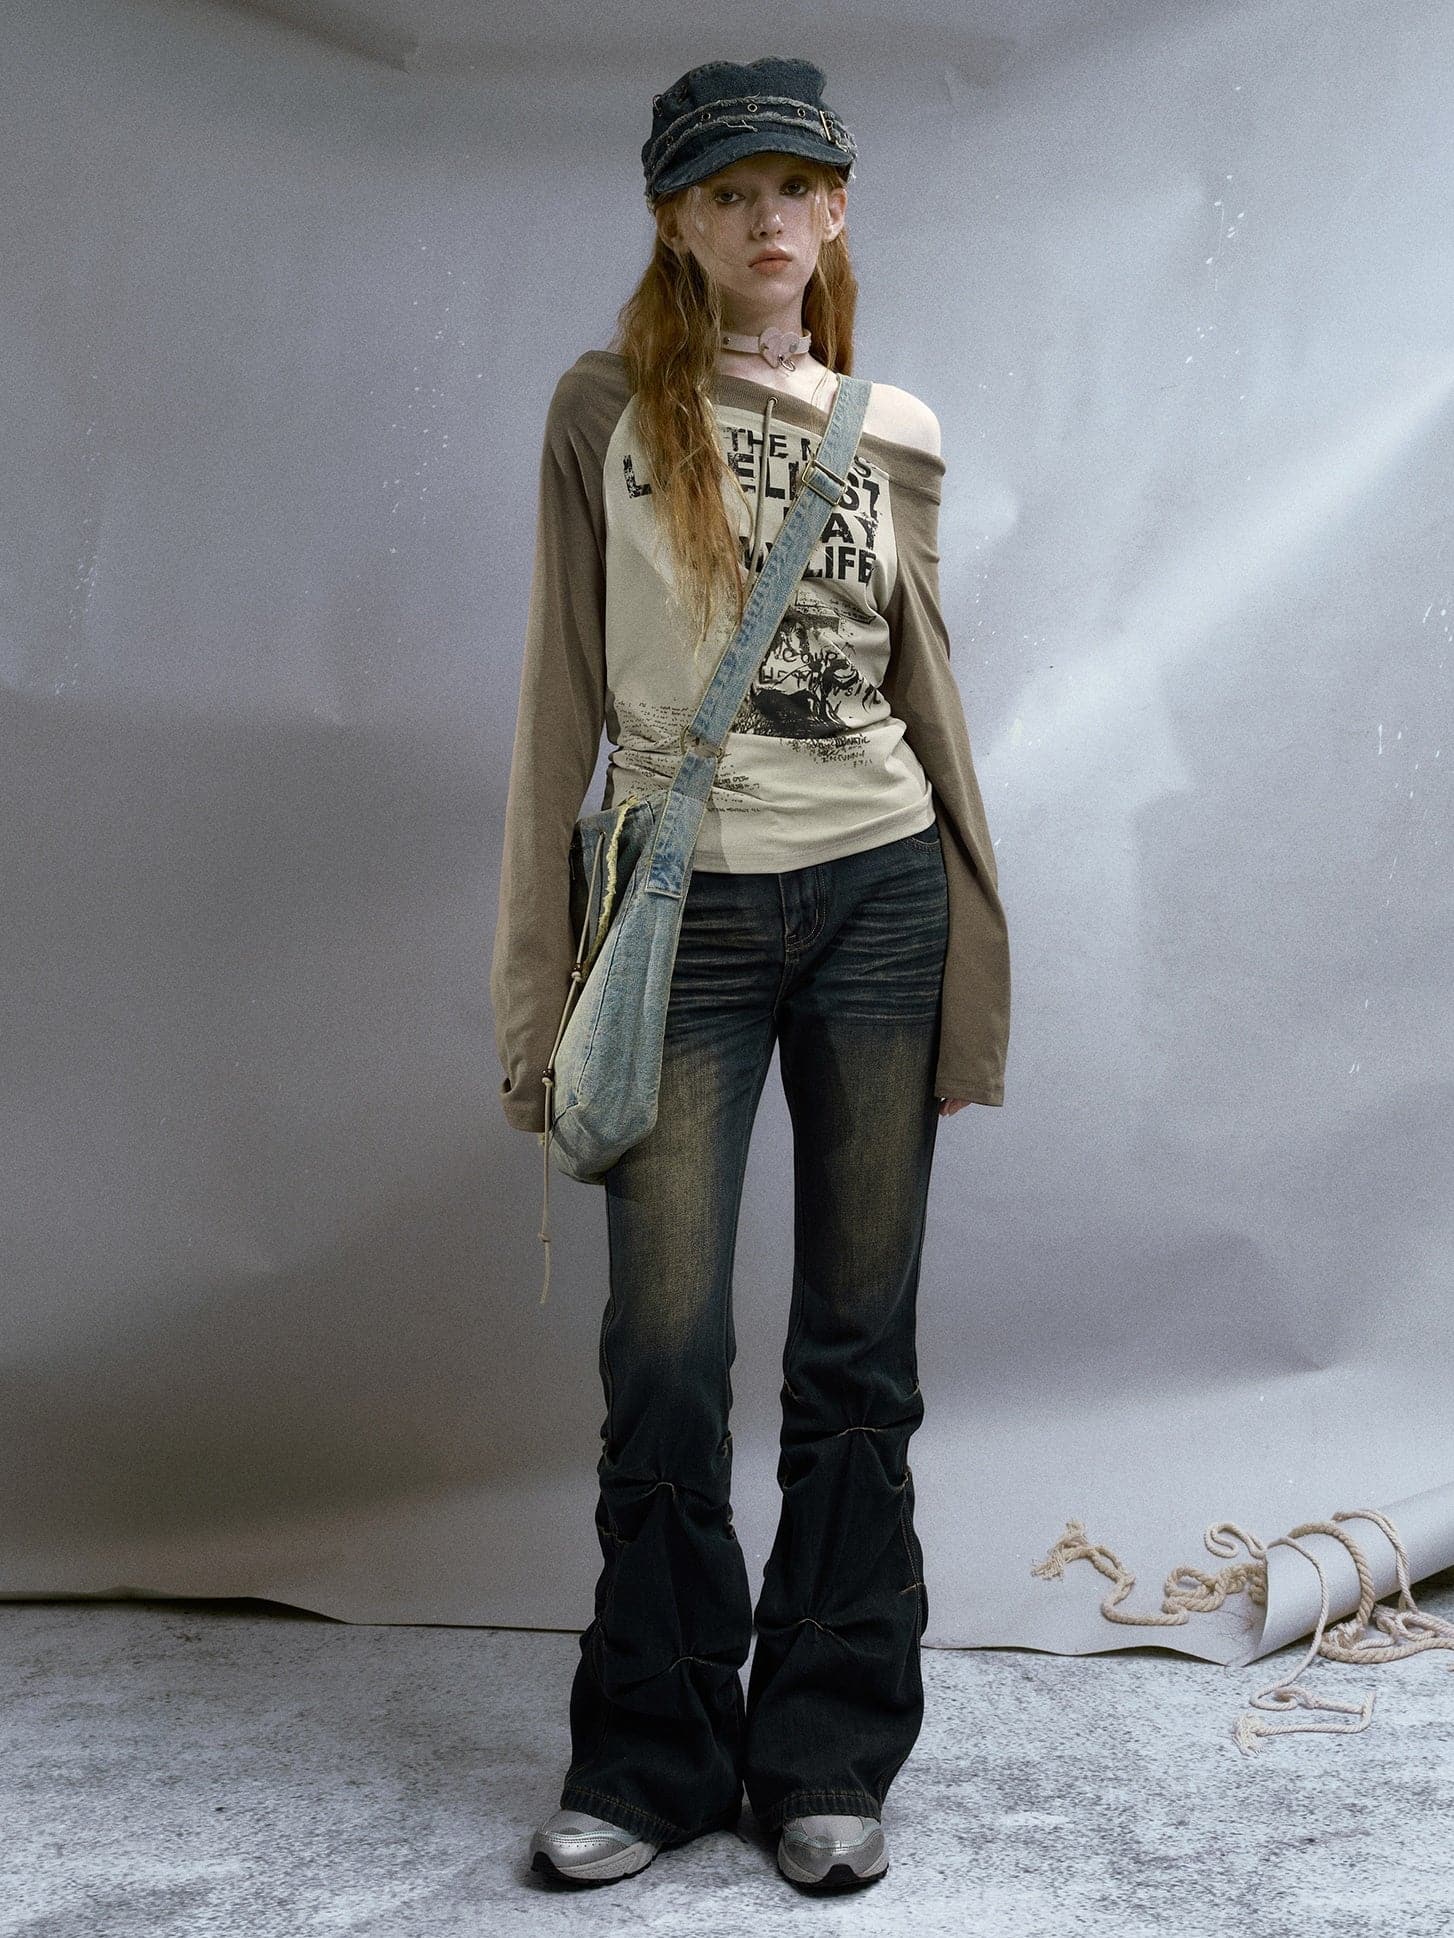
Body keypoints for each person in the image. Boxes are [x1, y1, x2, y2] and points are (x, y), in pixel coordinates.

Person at [491, 56, 1011, 1894]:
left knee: (858, 1350)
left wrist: (974, 974)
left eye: (795, 186)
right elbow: (559, 702)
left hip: (880, 898)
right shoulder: (602, 410)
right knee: (665, 1353)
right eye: (729, 192)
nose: (766, 217)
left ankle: (825, 1750)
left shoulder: (897, 426)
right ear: (677, 221)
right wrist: (534, 1000)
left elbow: (923, 695)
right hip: (683, 911)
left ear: (837, 208)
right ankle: (648, 1753)